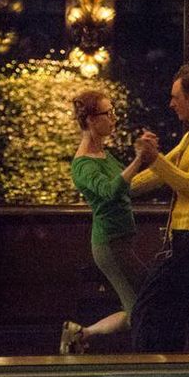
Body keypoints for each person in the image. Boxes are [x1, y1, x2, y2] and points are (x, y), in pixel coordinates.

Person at [129, 63, 189, 353]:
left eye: (176, 97)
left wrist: (154, 157)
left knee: (147, 307)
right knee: (171, 313)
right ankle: (166, 367)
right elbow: (159, 172)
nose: (171, 104)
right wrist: (121, 187)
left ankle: (144, 367)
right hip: (188, 237)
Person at [60, 89, 155, 354]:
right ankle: (145, 358)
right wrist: (140, 158)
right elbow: (111, 190)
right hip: (110, 246)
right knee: (140, 308)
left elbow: (128, 185)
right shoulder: (83, 165)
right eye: (108, 113)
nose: (114, 119)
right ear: (91, 120)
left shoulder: (103, 155)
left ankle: (80, 334)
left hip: (122, 242)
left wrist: (164, 169)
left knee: (141, 302)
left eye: (113, 112)